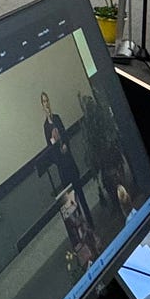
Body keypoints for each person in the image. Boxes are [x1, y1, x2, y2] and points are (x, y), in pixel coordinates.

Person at [41, 91, 92, 229]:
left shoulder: (57, 118)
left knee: (80, 193)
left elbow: (65, 135)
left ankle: (91, 223)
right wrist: (58, 150)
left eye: (47, 101)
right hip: (62, 168)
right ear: (42, 105)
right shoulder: (46, 127)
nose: (47, 104)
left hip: (69, 161)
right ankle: (83, 228)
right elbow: (50, 150)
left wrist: (64, 145)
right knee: (72, 201)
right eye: (44, 102)